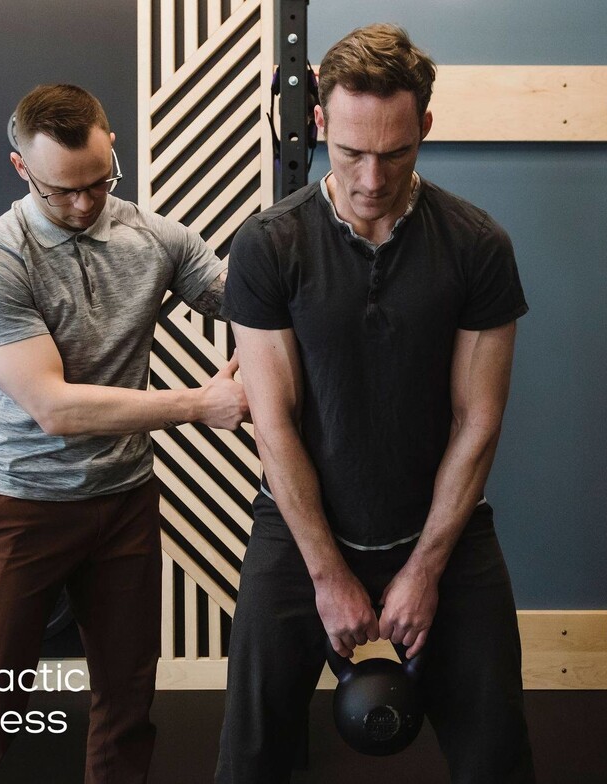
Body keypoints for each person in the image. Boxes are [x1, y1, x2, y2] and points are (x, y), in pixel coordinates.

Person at [215, 24, 535, 783]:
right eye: (352, 152)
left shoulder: (477, 245)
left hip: (442, 531)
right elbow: (276, 420)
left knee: (499, 761)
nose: (370, 178)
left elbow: (477, 419)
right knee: (249, 761)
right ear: (321, 123)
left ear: (425, 126)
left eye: (394, 154)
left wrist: (425, 566)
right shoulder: (267, 246)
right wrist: (327, 574)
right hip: (300, 536)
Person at [0, 83, 247, 784]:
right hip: (22, 504)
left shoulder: (154, 236)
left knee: (128, 710)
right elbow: (55, 409)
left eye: (99, 183)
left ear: (112, 152)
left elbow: (245, 301)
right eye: (60, 191)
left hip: (123, 501)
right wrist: (201, 403)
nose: (83, 203)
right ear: (21, 170)